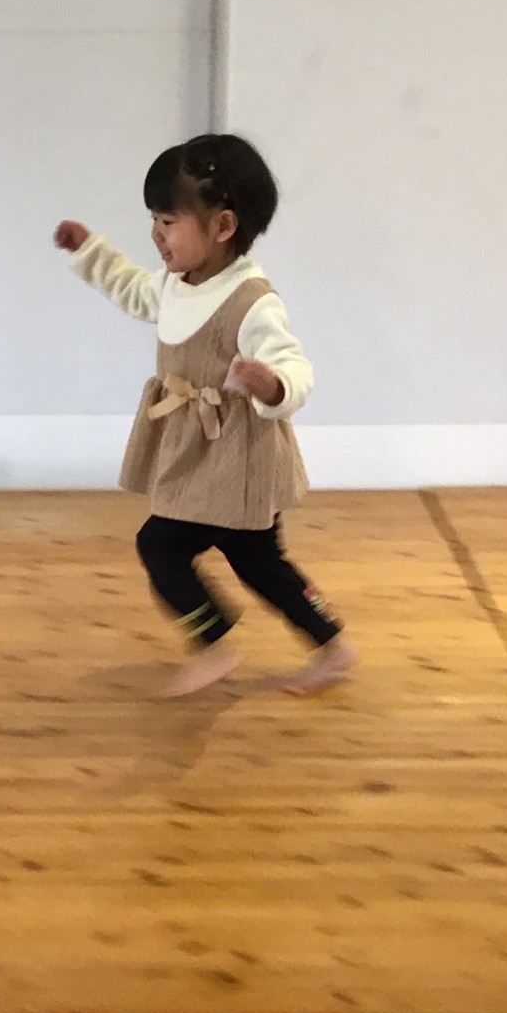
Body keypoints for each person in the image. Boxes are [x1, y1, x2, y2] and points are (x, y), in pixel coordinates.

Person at [54, 133, 358, 698]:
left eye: (169, 221)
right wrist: (89, 252)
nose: (156, 234)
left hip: (234, 457)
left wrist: (273, 384)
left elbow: (296, 367)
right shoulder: (177, 283)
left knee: (160, 546)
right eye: (154, 219)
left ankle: (213, 641)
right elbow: (133, 291)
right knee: (260, 562)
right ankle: (332, 645)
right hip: (201, 450)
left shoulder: (252, 302)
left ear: (222, 226)